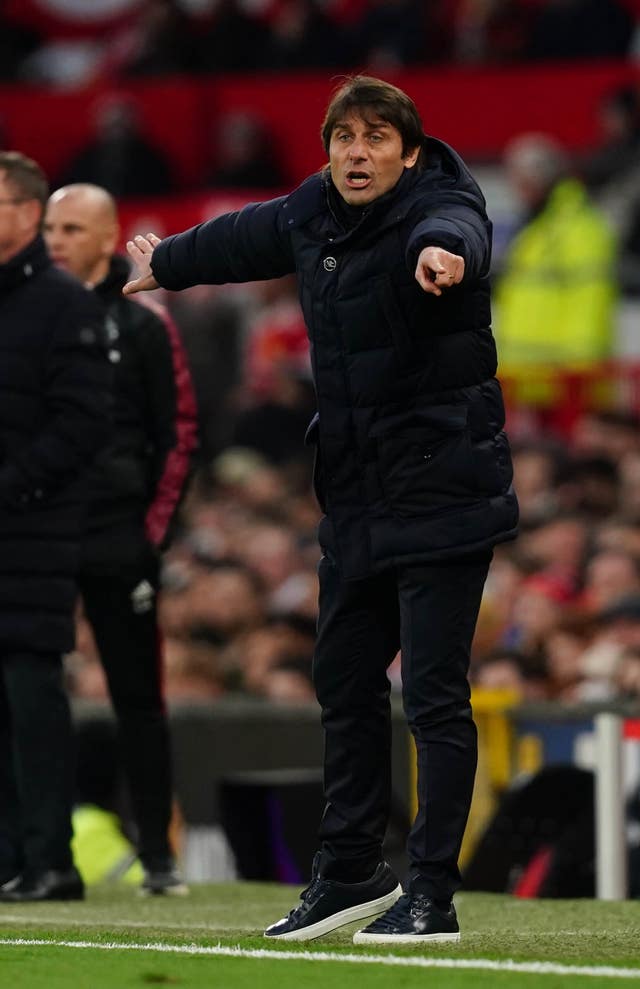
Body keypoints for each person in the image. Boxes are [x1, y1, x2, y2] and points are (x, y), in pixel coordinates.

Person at [123, 75, 518, 943]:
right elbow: (247, 234)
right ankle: (350, 870)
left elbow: (457, 229)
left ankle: (432, 892)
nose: (357, 153)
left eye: (376, 138)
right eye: (344, 137)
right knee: (343, 682)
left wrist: (445, 256)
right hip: (357, 490)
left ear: (409, 154)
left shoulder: (442, 205)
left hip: (445, 485)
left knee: (433, 697)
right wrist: (170, 263)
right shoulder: (316, 208)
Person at [43, 183, 198, 895]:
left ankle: (158, 853)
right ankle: (33, 849)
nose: (57, 241)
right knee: (27, 689)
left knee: (138, 695)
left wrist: (150, 535)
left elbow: (179, 434)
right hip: (40, 535)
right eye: (51, 228)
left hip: (116, 533)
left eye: (72, 229)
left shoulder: (142, 323)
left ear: (108, 238)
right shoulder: (23, 316)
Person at [0, 153, 111, 902]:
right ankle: (11, 856)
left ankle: (51, 859)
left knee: (31, 696)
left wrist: (11, 486)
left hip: (32, 534)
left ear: (26, 212)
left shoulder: (66, 304)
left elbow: (83, 424)